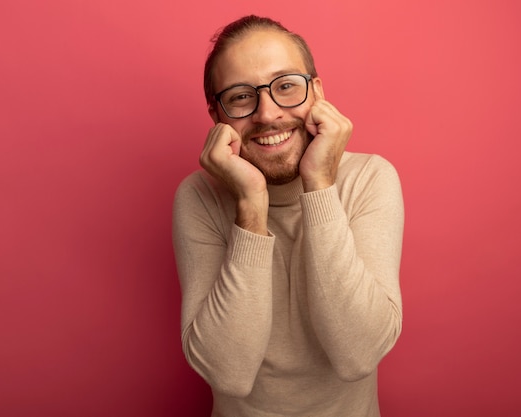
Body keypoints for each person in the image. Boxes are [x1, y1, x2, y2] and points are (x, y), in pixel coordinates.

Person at [172, 14, 404, 417]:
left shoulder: (370, 178)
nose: (268, 113)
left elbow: (358, 356)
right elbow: (229, 374)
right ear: (217, 116)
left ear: (317, 93)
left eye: (286, 87)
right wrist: (250, 204)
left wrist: (320, 185)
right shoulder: (199, 198)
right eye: (242, 96)